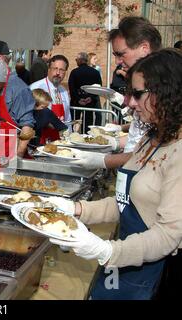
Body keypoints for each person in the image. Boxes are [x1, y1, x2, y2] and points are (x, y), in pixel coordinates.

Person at [48, 49, 182, 300]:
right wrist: (76, 209)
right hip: (126, 260)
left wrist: (106, 251)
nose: (130, 102)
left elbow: (167, 235)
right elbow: (126, 201)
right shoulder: (152, 139)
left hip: (150, 274)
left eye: (138, 94)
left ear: (166, 94)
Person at [73, 16, 162, 169]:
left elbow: (153, 150)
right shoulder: (142, 78)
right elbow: (139, 135)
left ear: (144, 48)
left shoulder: (164, 86)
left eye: (121, 54)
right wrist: (113, 140)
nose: (117, 62)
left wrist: (104, 161)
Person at [30, 55, 73, 142]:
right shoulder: (36, 87)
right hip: (40, 140)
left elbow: (67, 117)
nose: (58, 73)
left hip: (59, 140)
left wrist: (69, 137)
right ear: (49, 69)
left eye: (61, 70)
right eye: (55, 68)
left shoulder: (64, 91)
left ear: (65, 72)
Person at [68, 52, 103, 131]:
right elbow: (98, 87)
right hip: (90, 102)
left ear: (80, 60)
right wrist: (90, 98)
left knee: (74, 122)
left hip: (76, 102)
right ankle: (86, 138)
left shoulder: (74, 72)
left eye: (76, 59)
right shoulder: (95, 72)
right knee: (88, 123)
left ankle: (73, 137)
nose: (76, 61)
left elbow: (71, 88)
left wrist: (78, 99)